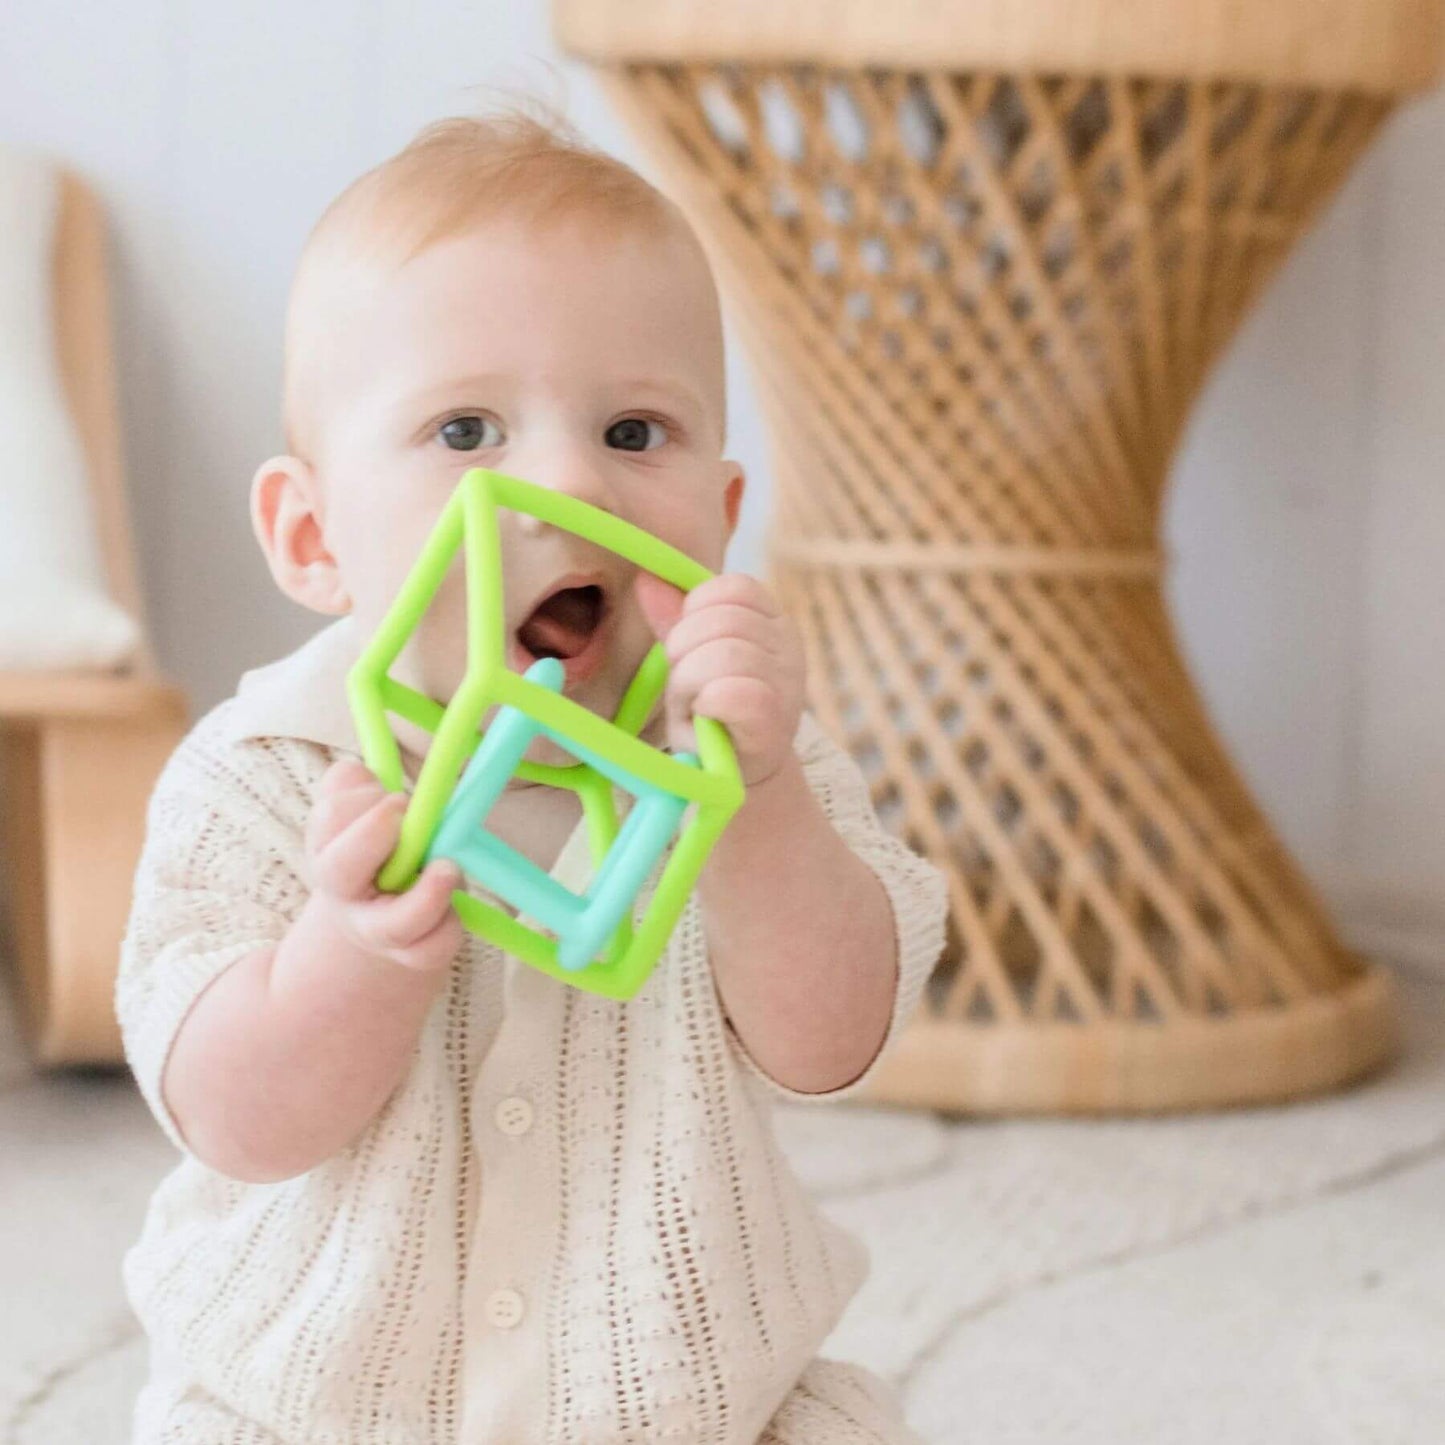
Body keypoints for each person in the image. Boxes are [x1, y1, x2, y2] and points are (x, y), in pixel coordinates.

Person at [116, 106, 949, 1444]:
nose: (568, 480)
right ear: (313, 534)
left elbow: (833, 1042)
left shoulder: (744, 756)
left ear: (722, 517)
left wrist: (762, 806)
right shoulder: (264, 770)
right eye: (464, 432)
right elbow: (230, 1115)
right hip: (316, 1403)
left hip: (685, 1398)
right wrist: (351, 954)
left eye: (633, 433)